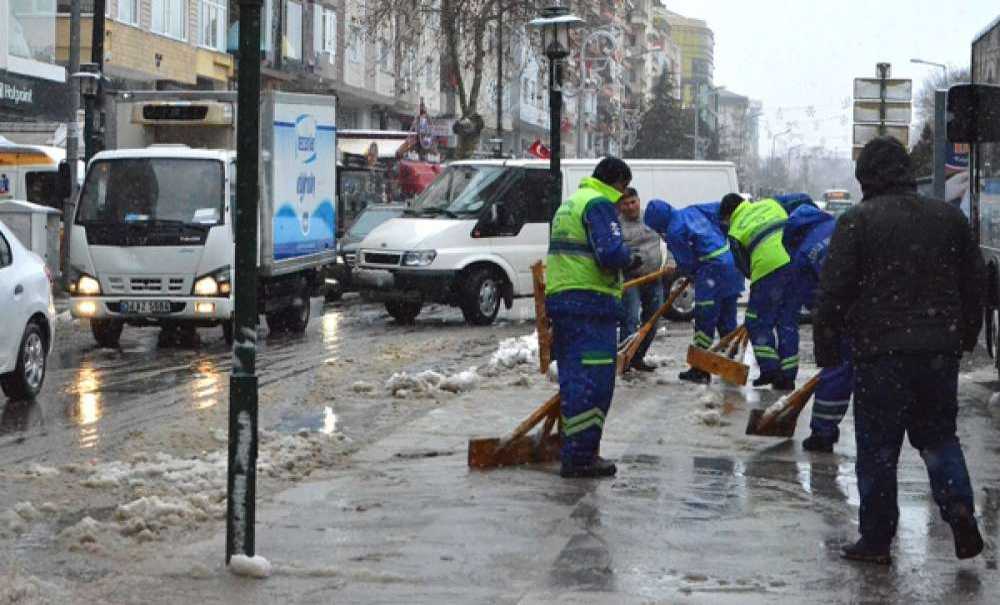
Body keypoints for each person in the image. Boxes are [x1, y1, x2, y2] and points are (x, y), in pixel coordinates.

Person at [815, 136, 985, 564]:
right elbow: (975, 286)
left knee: (878, 449)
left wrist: (827, 349)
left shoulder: (858, 221)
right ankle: (960, 508)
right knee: (939, 437)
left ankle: (876, 540)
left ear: (867, 178)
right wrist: (963, 337)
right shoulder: (949, 219)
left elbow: (833, 292)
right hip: (938, 352)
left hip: (880, 354)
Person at [546, 156, 639, 479]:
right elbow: (610, 253)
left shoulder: (570, 204)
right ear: (617, 182)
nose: (623, 198)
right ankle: (581, 458)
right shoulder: (598, 204)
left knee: (574, 380)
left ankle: (575, 452)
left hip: (565, 302)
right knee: (594, 383)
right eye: (623, 189)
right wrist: (631, 258)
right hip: (590, 305)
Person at [645, 199, 742, 384]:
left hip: (712, 270)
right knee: (727, 317)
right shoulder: (693, 210)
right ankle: (731, 363)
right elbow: (720, 212)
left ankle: (700, 369)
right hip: (732, 265)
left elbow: (686, 261)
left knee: (705, 319)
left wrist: (690, 272)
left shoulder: (674, 230)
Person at [781, 201, 851, 452]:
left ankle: (822, 433)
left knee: (835, 371)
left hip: (840, 313)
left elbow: (811, 298)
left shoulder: (803, 253)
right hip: (879, 310)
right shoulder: (843, 226)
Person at [718, 194, 797, 390]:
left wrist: (757, 280)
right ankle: (788, 376)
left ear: (728, 216)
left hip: (766, 270)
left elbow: (743, 265)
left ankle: (771, 370)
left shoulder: (735, 230)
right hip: (794, 263)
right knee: (786, 321)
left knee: (757, 322)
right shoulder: (771, 204)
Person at [617, 188, 665, 372]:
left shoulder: (651, 219)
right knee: (630, 319)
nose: (630, 207)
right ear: (620, 206)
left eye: (633, 202)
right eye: (625, 204)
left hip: (654, 277)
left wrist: (670, 261)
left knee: (652, 320)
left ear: (639, 200)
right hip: (631, 279)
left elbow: (669, 241)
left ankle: (638, 357)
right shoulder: (617, 225)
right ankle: (625, 359)